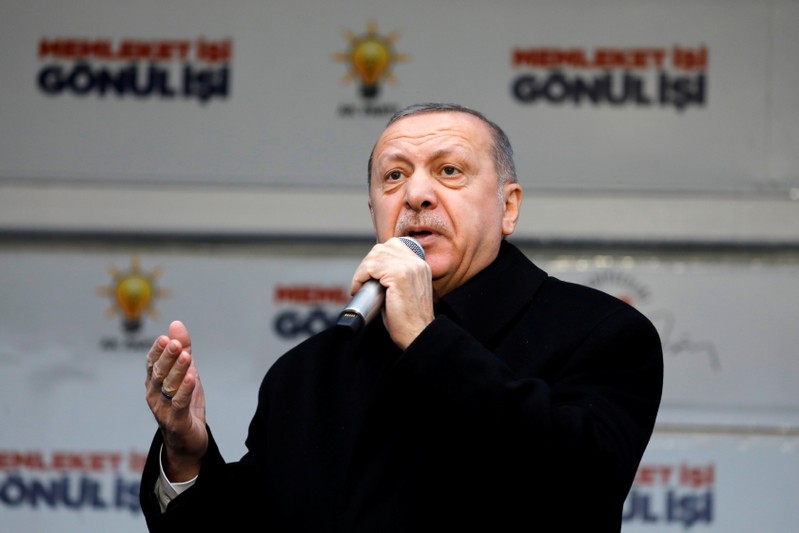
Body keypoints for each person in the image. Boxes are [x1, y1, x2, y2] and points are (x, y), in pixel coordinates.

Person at [140, 102, 663, 531]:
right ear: (374, 213)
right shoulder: (308, 370)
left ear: (509, 207)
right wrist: (187, 455)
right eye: (394, 176)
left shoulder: (598, 332)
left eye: (449, 171)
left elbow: (581, 486)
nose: (415, 194)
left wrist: (426, 338)